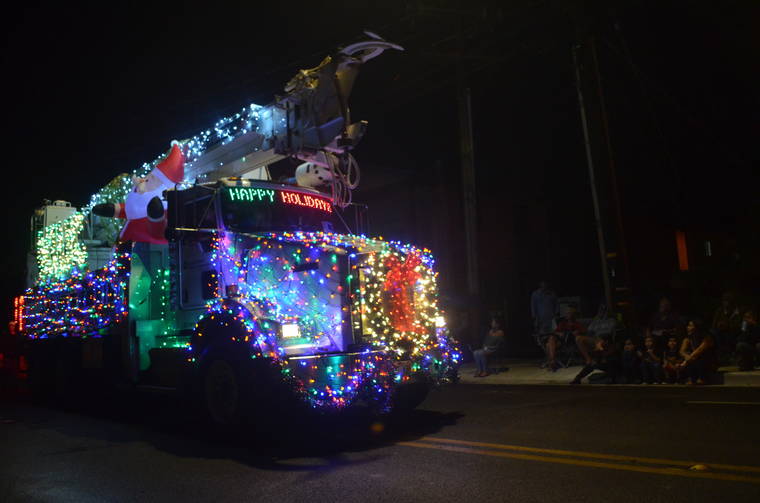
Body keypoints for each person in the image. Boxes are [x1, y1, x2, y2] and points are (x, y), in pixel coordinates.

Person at [544, 304, 585, 371]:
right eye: (568, 313)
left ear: (574, 315)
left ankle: (551, 362)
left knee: (548, 345)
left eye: (570, 313)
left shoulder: (577, 324)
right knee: (551, 339)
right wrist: (560, 333)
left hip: (569, 343)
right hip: (560, 341)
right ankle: (553, 362)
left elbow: (583, 331)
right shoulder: (563, 323)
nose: (568, 315)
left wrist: (576, 332)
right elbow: (555, 332)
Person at [679, 318, 717, 384]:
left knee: (698, 358)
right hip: (693, 359)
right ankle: (691, 378)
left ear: (697, 328)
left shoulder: (707, 337)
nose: (688, 327)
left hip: (707, 360)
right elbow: (681, 351)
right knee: (690, 357)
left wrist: (685, 361)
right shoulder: (688, 338)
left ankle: (702, 378)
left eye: (690, 326)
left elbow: (699, 350)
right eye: (688, 325)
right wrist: (686, 357)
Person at [712, 291, 742, 360]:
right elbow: (714, 324)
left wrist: (727, 326)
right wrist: (719, 325)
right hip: (720, 333)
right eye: (724, 301)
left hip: (733, 333)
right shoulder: (719, 311)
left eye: (727, 301)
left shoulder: (737, 312)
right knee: (714, 334)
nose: (725, 303)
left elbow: (739, 326)